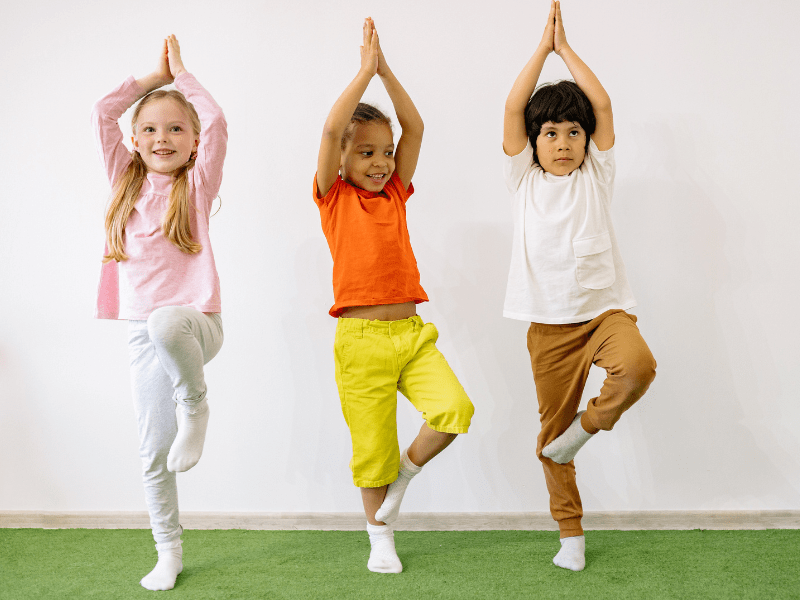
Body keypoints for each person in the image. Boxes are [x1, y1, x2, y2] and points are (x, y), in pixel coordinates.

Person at [314, 18, 474, 574]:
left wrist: (385, 70)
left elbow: (415, 125)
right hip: (359, 340)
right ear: (342, 162)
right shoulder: (333, 198)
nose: (381, 162)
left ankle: (405, 478)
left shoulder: (396, 195)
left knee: (455, 410)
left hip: (411, 334)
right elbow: (333, 131)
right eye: (367, 154)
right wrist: (362, 73)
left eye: (386, 153)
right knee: (373, 450)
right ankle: (380, 536)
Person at [502, 1, 656, 571]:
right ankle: (570, 535)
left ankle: (588, 426)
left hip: (603, 314)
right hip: (548, 327)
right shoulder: (523, 181)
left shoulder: (597, 174)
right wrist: (541, 51)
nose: (563, 141)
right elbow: (515, 105)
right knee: (551, 437)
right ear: (533, 142)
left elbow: (604, 104)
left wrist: (567, 50)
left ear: (587, 141)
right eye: (550, 133)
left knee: (638, 367)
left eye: (573, 132)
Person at [91, 35, 227, 591]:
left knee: (166, 320)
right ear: (133, 141)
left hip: (197, 327)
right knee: (153, 452)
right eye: (149, 128)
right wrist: (151, 80)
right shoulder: (124, 182)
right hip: (144, 336)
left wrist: (182, 76)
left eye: (175, 128)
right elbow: (103, 111)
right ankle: (167, 551)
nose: (161, 138)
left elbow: (217, 119)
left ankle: (196, 406)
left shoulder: (195, 187)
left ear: (193, 143)